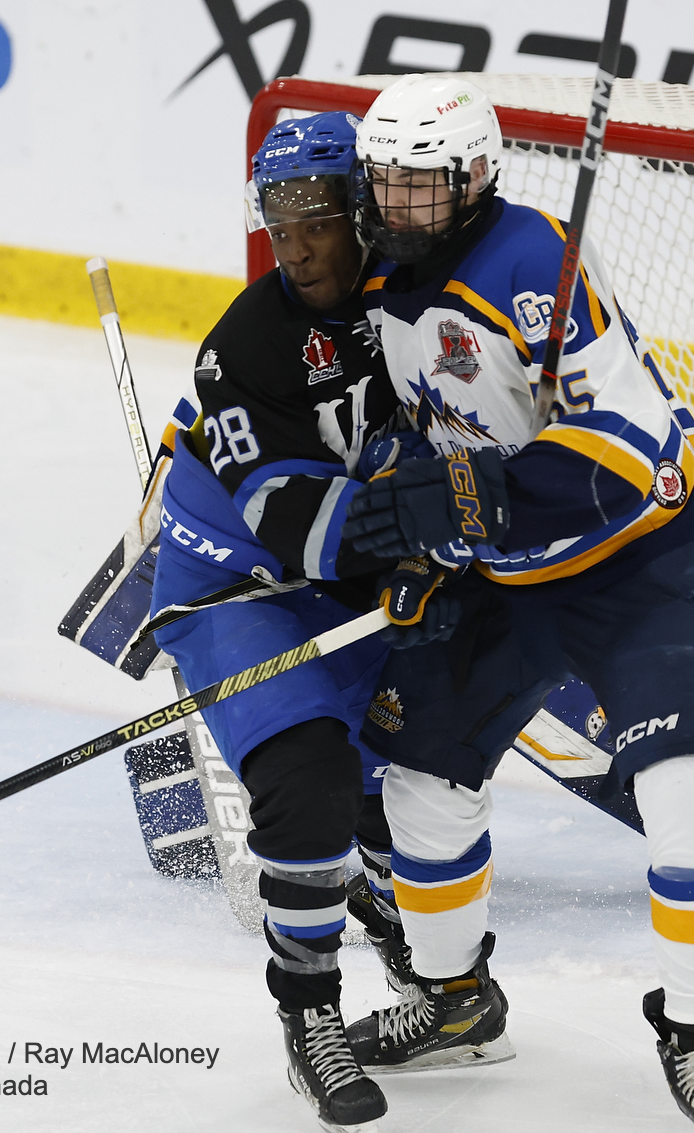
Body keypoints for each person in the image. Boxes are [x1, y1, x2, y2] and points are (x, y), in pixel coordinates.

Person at [341, 74, 694, 1133]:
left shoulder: (534, 263)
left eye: (421, 185)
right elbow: (411, 422)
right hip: (503, 577)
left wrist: (481, 488)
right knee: (424, 781)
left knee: (692, 790)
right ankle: (454, 1004)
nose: (396, 204)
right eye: (383, 179)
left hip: (640, 572)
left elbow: (627, 452)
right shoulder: (376, 275)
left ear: (477, 178)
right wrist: (410, 499)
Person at [149, 110, 461, 1133]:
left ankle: (439, 981)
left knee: (422, 766)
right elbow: (301, 531)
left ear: (364, 209)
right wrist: (437, 528)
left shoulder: (419, 300)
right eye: (277, 223)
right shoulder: (241, 351)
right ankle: (312, 1017)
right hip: (240, 589)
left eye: (316, 218)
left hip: (357, 580)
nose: (294, 245)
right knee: (310, 783)